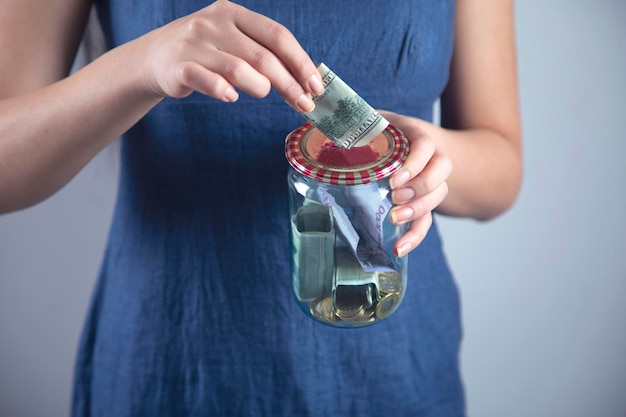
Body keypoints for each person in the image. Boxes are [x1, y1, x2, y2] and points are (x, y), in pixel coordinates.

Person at [0, 0, 522, 415]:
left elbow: (502, 168)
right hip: (174, 359)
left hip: (394, 366)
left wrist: (427, 154)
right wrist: (140, 64)